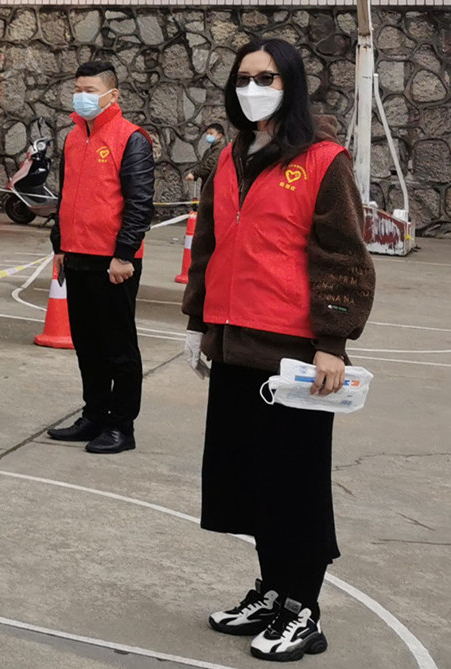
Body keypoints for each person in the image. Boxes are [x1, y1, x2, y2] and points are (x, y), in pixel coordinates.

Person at [181, 39, 374, 661]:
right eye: (243, 78)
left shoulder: (322, 160)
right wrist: (198, 323)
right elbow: (209, 244)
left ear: (291, 84)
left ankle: (302, 609)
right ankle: (272, 591)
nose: (252, 88)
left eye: (266, 78)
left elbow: (343, 255)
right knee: (250, 482)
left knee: (295, 487)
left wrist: (331, 343)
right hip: (234, 346)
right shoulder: (231, 156)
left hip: (294, 354)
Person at [48, 58, 155, 455]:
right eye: (78, 90)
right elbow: (65, 196)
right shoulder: (73, 138)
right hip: (77, 255)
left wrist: (124, 254)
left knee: (118, 347)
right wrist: (59, 245)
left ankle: (121, 425)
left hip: (113, 262)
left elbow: (139, 203)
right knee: (87, 344)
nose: (82, 97)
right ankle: (93, 414)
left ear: (112, 95)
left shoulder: (131, 139)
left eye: (90, 91)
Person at [185, 122, 226, 195]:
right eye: (207, 134)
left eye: (211, 133)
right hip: (210, 185)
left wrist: (194, 173)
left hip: (215, 187)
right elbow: (203, 164)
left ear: (219, 135)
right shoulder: (210, 150)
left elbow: (210, 164)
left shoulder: (220, 149)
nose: (208, 136)